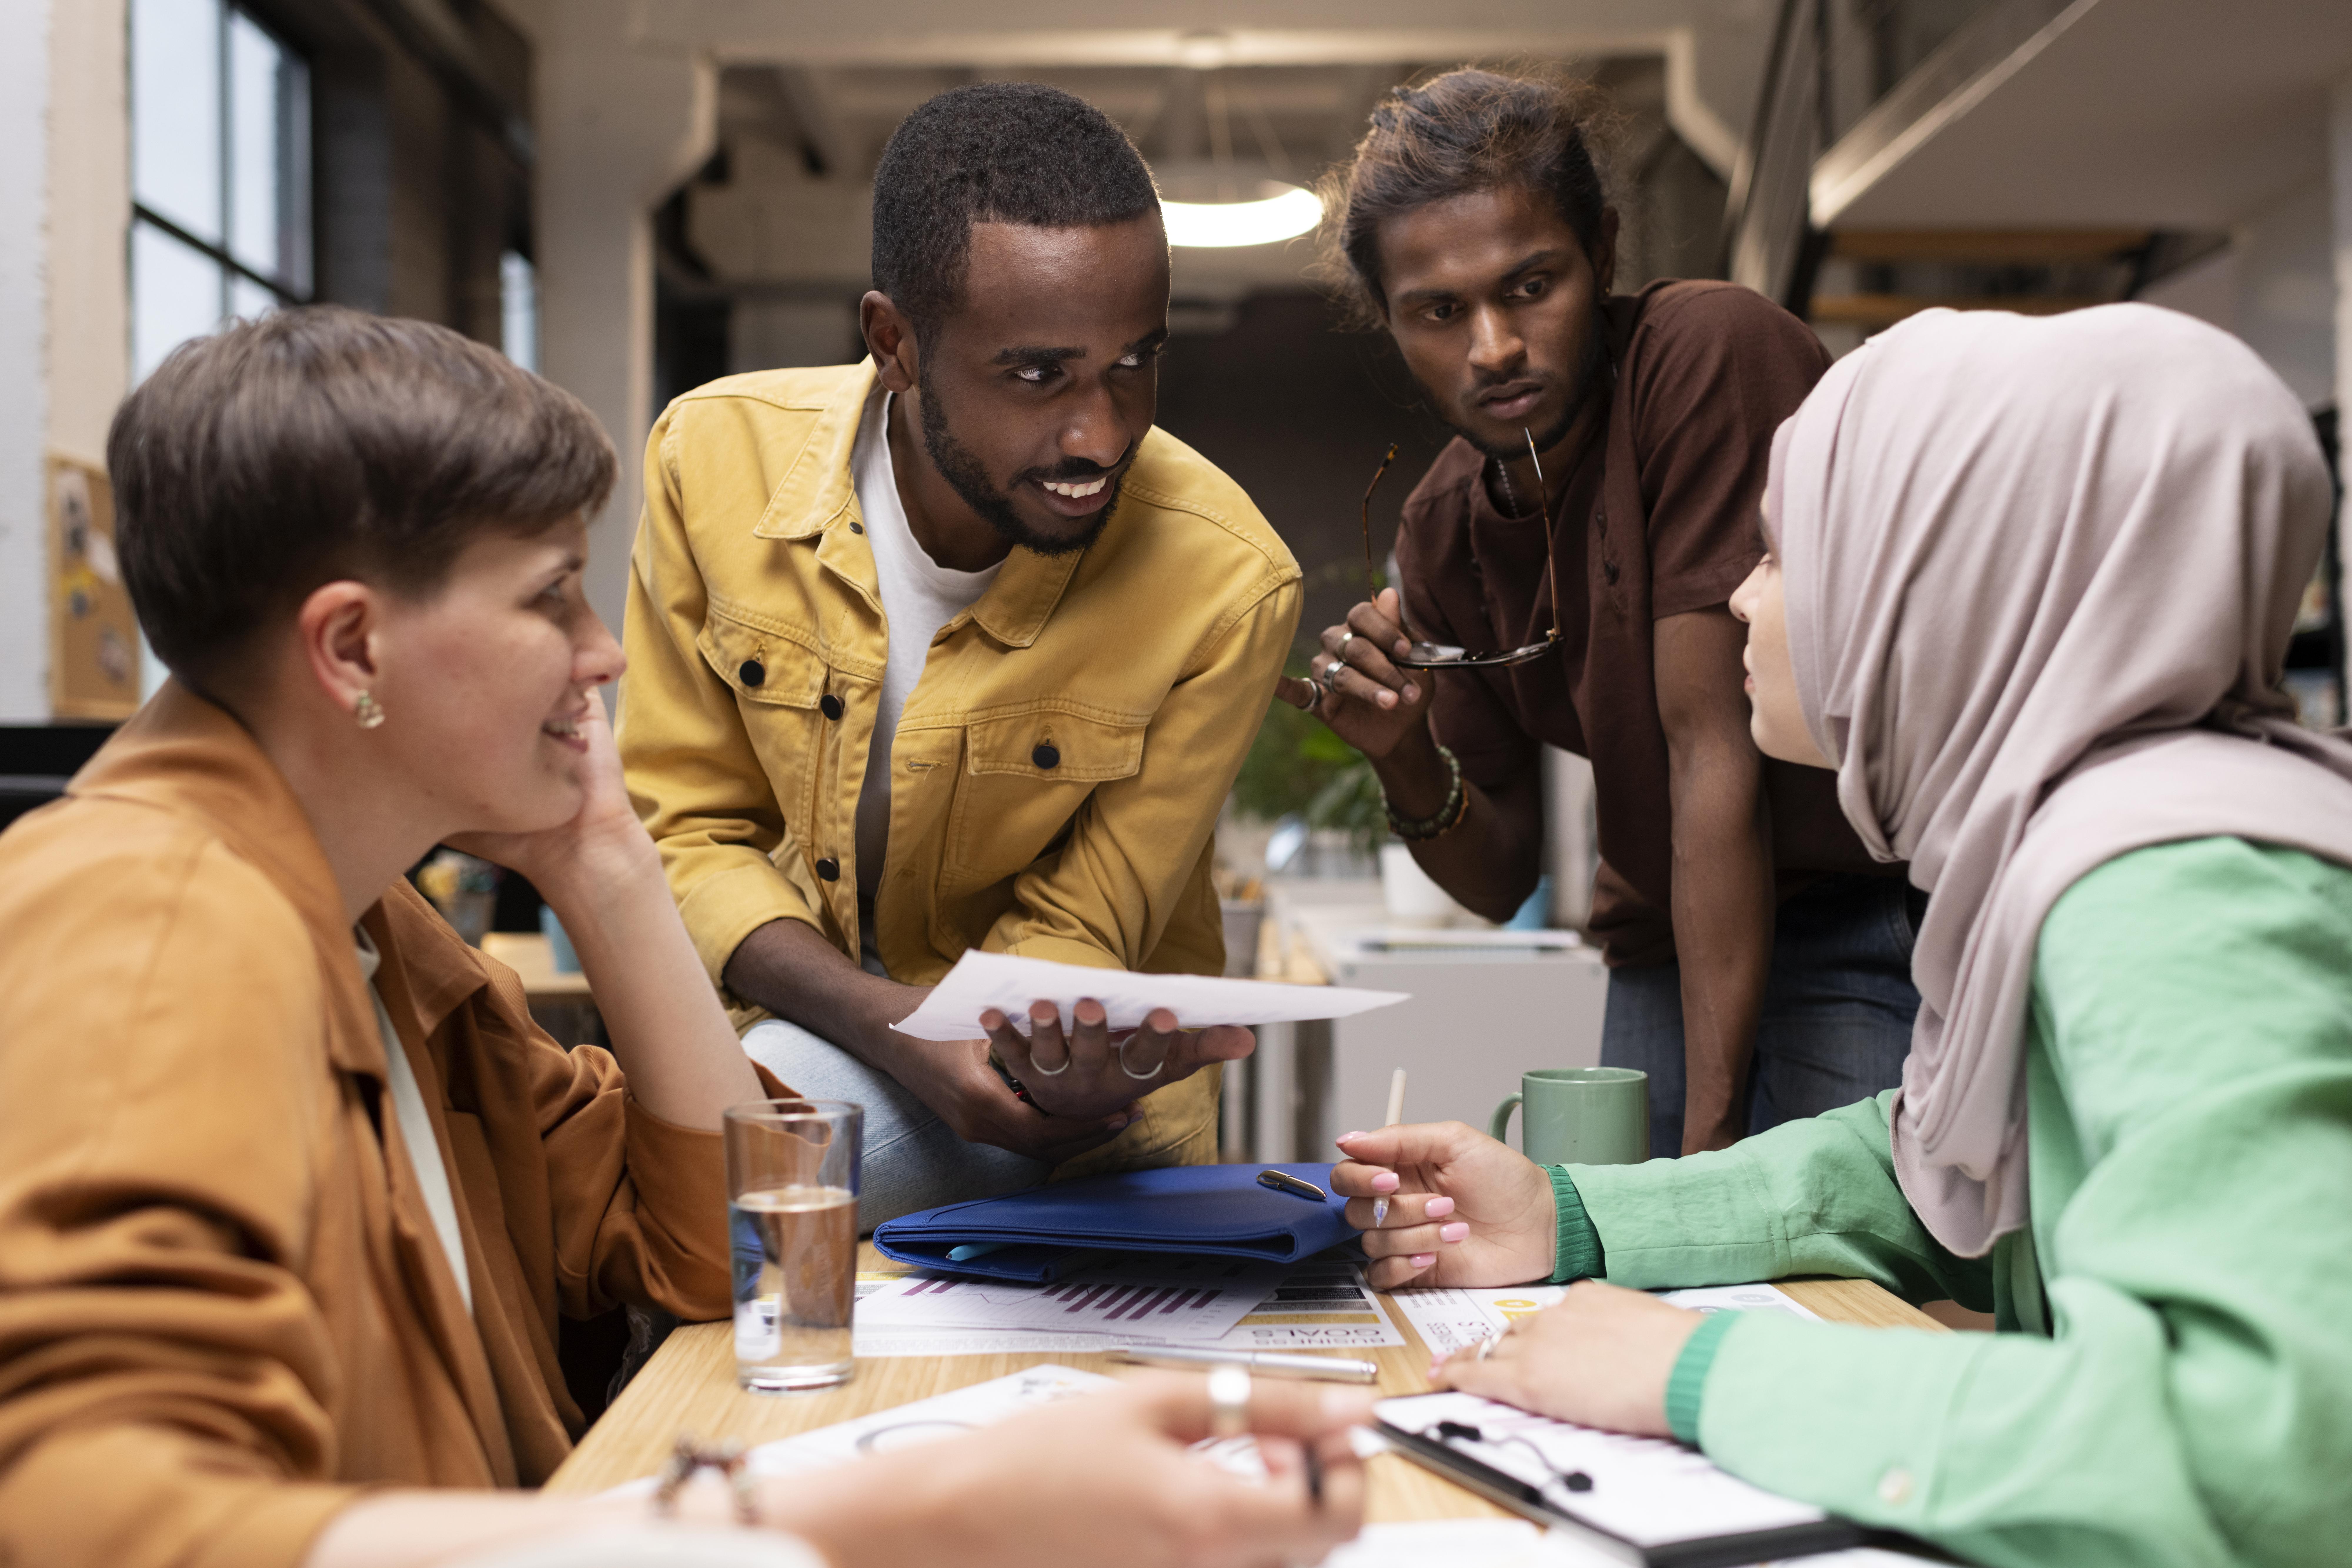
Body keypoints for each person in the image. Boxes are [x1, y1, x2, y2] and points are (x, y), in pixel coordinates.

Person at [0, 309, 1367, 1568]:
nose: (602, 653)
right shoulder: (154, 912)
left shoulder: (381, 932)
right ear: (351, 650)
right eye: (548, 597)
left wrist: (607, 865)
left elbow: (732, 1249)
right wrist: (890, 1506)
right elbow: (83, 1516)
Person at [1330, 303, 2352, 1564]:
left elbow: (2264, 1450)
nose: (1740, 599)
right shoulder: (2080, 845)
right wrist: (1567, 1211)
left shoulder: (2173, 883)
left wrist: (1698, 1370)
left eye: (1782, 550)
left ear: (1948, 577)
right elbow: (1933, 1167)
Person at [621, 82, 1300, 1224]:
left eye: (1135, 362)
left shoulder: (1224, 578)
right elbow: (686, 833)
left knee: (745, 1183)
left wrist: (1006, 1048)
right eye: (1037, 374)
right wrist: (891, 1025)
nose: (1099, 434)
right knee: (721, 1187)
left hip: (1072, 1128)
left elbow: (1081, 927)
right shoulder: (712, 460)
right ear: (895, 342)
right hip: (793, 1062)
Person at [1288, 69, 1917, 1156]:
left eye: (1531, 286)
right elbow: (1500, 878)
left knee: (1831, 1299)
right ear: (1391, 327)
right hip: (1662, 949)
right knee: (1636, 1295)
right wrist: (1401, 756)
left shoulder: (1707, 355)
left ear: (1606, 253)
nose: (1492, 347)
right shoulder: (1444, 528)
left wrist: (1705, 1165)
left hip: (1852, 917)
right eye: (1440, 312)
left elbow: (1709, 749)